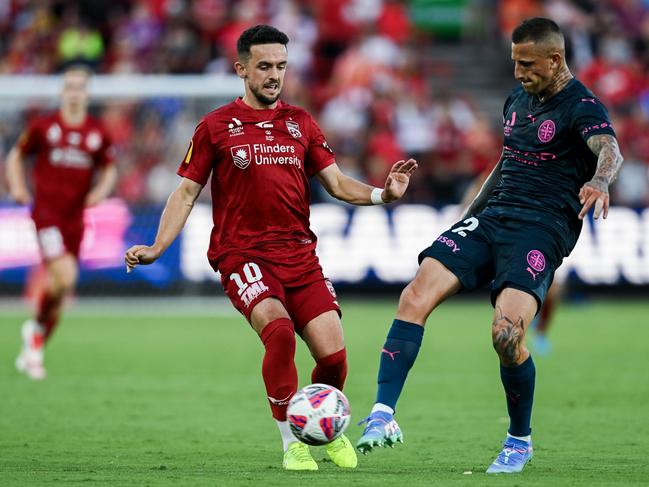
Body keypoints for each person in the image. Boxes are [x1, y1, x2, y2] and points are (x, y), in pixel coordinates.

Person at [124, 25, 417, 471]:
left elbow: (337, 183)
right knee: (279, 334)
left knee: (334, 360)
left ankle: (327, 430)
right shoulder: (215, 127)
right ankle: (291, 443)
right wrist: (158, 246)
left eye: (281, 66)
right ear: (241, 69)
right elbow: (184, 193)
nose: (274, 75)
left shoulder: (301, 122)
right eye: (264, 66)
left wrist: (384, 194)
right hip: (242, 254)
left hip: (300, 254)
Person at [356, 17, 623, 474]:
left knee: (507, 336)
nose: (518, 72)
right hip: (492, 218)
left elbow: (610, 150)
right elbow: (506, 162)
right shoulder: (517, 99)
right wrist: (467, 219)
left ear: (555, 59)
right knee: (414, 294)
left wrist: (599, 181)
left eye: (527, 63)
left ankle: (519, 441)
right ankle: (382, 415)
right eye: (514, 62)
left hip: (541, 229)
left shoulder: (581, 105)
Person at [6, 65, 117, 380]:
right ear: (62, 91)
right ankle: (36, 336)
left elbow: (110, 168)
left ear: (87, 93)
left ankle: (35, 339)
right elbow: (16, 156)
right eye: (69, 86)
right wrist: (17, 187)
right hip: (46, 215)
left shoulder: (97, 133)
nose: (74, 92)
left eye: (79, 87)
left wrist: (99, 192)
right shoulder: (44, 127)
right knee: (66, 278)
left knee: (57, 288)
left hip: (75, 219)